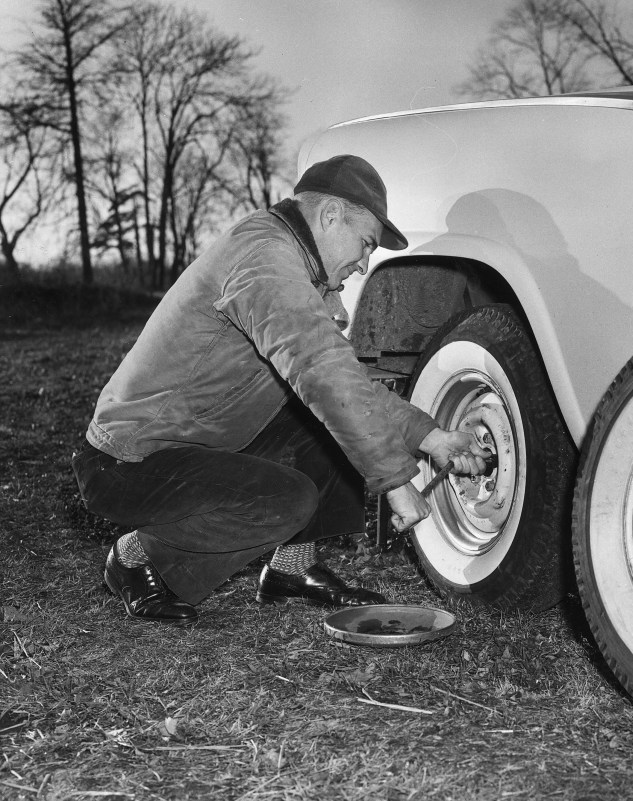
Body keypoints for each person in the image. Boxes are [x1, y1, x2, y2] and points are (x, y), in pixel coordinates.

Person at [72, 154, 489, 624]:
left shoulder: (297, 266)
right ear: (331, 215)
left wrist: (434, 439)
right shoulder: (265, 260)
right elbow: (322, 372)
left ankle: (293, 568)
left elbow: (348, 385)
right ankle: (136, 557)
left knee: (324, 421)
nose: (364, 263)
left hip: (200, 441)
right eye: (365, 243)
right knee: (286, 500)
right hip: (128, 462)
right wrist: (395, 481)